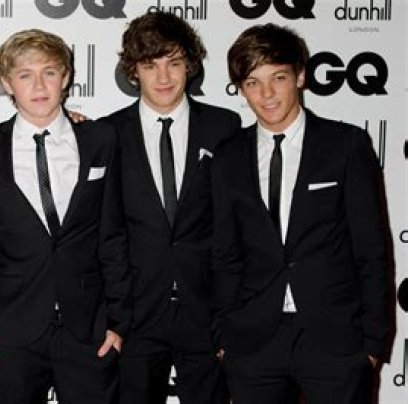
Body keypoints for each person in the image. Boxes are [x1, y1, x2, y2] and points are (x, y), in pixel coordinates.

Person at [212, 23, 390, 403]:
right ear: (241, 89)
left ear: (300, 76)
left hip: (336, 342)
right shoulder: (227, 157)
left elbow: (372, 251)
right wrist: (225, 337)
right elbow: (224, 256)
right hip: (253, 345)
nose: (266, 94)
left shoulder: (345, 146)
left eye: (278, 78)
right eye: (253, 82)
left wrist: (373, 343)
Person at [0, 29, 130, 403]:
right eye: (25, 75)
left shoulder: (100, 139)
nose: (39, 86)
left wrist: (118, 322)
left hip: (89, 329)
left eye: (49, 72)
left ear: (66, 77)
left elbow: (113, 236)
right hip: (12, 329)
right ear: (6, 83)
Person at [101, 10, 241, 404]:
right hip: (136, 314)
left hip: (206, 311)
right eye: (150, 65)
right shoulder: (106, 134)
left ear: (190, 66)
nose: (163, 77)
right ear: (133, 71)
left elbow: (235, 226)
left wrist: (230, 316)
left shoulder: (224, 127)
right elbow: (104, 230)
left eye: (173, 63)